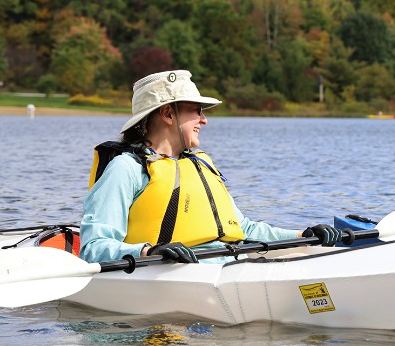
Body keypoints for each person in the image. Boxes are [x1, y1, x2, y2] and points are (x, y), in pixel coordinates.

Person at [80, 70, 341, 264]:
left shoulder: (200, 164)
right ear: (168, 114)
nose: (204, 120)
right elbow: (93, 248)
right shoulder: (126, 169)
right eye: (196, 111)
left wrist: (302, 234)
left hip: (228, 265)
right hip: (169, 273)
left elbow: (244, 229)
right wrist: (149, 251)